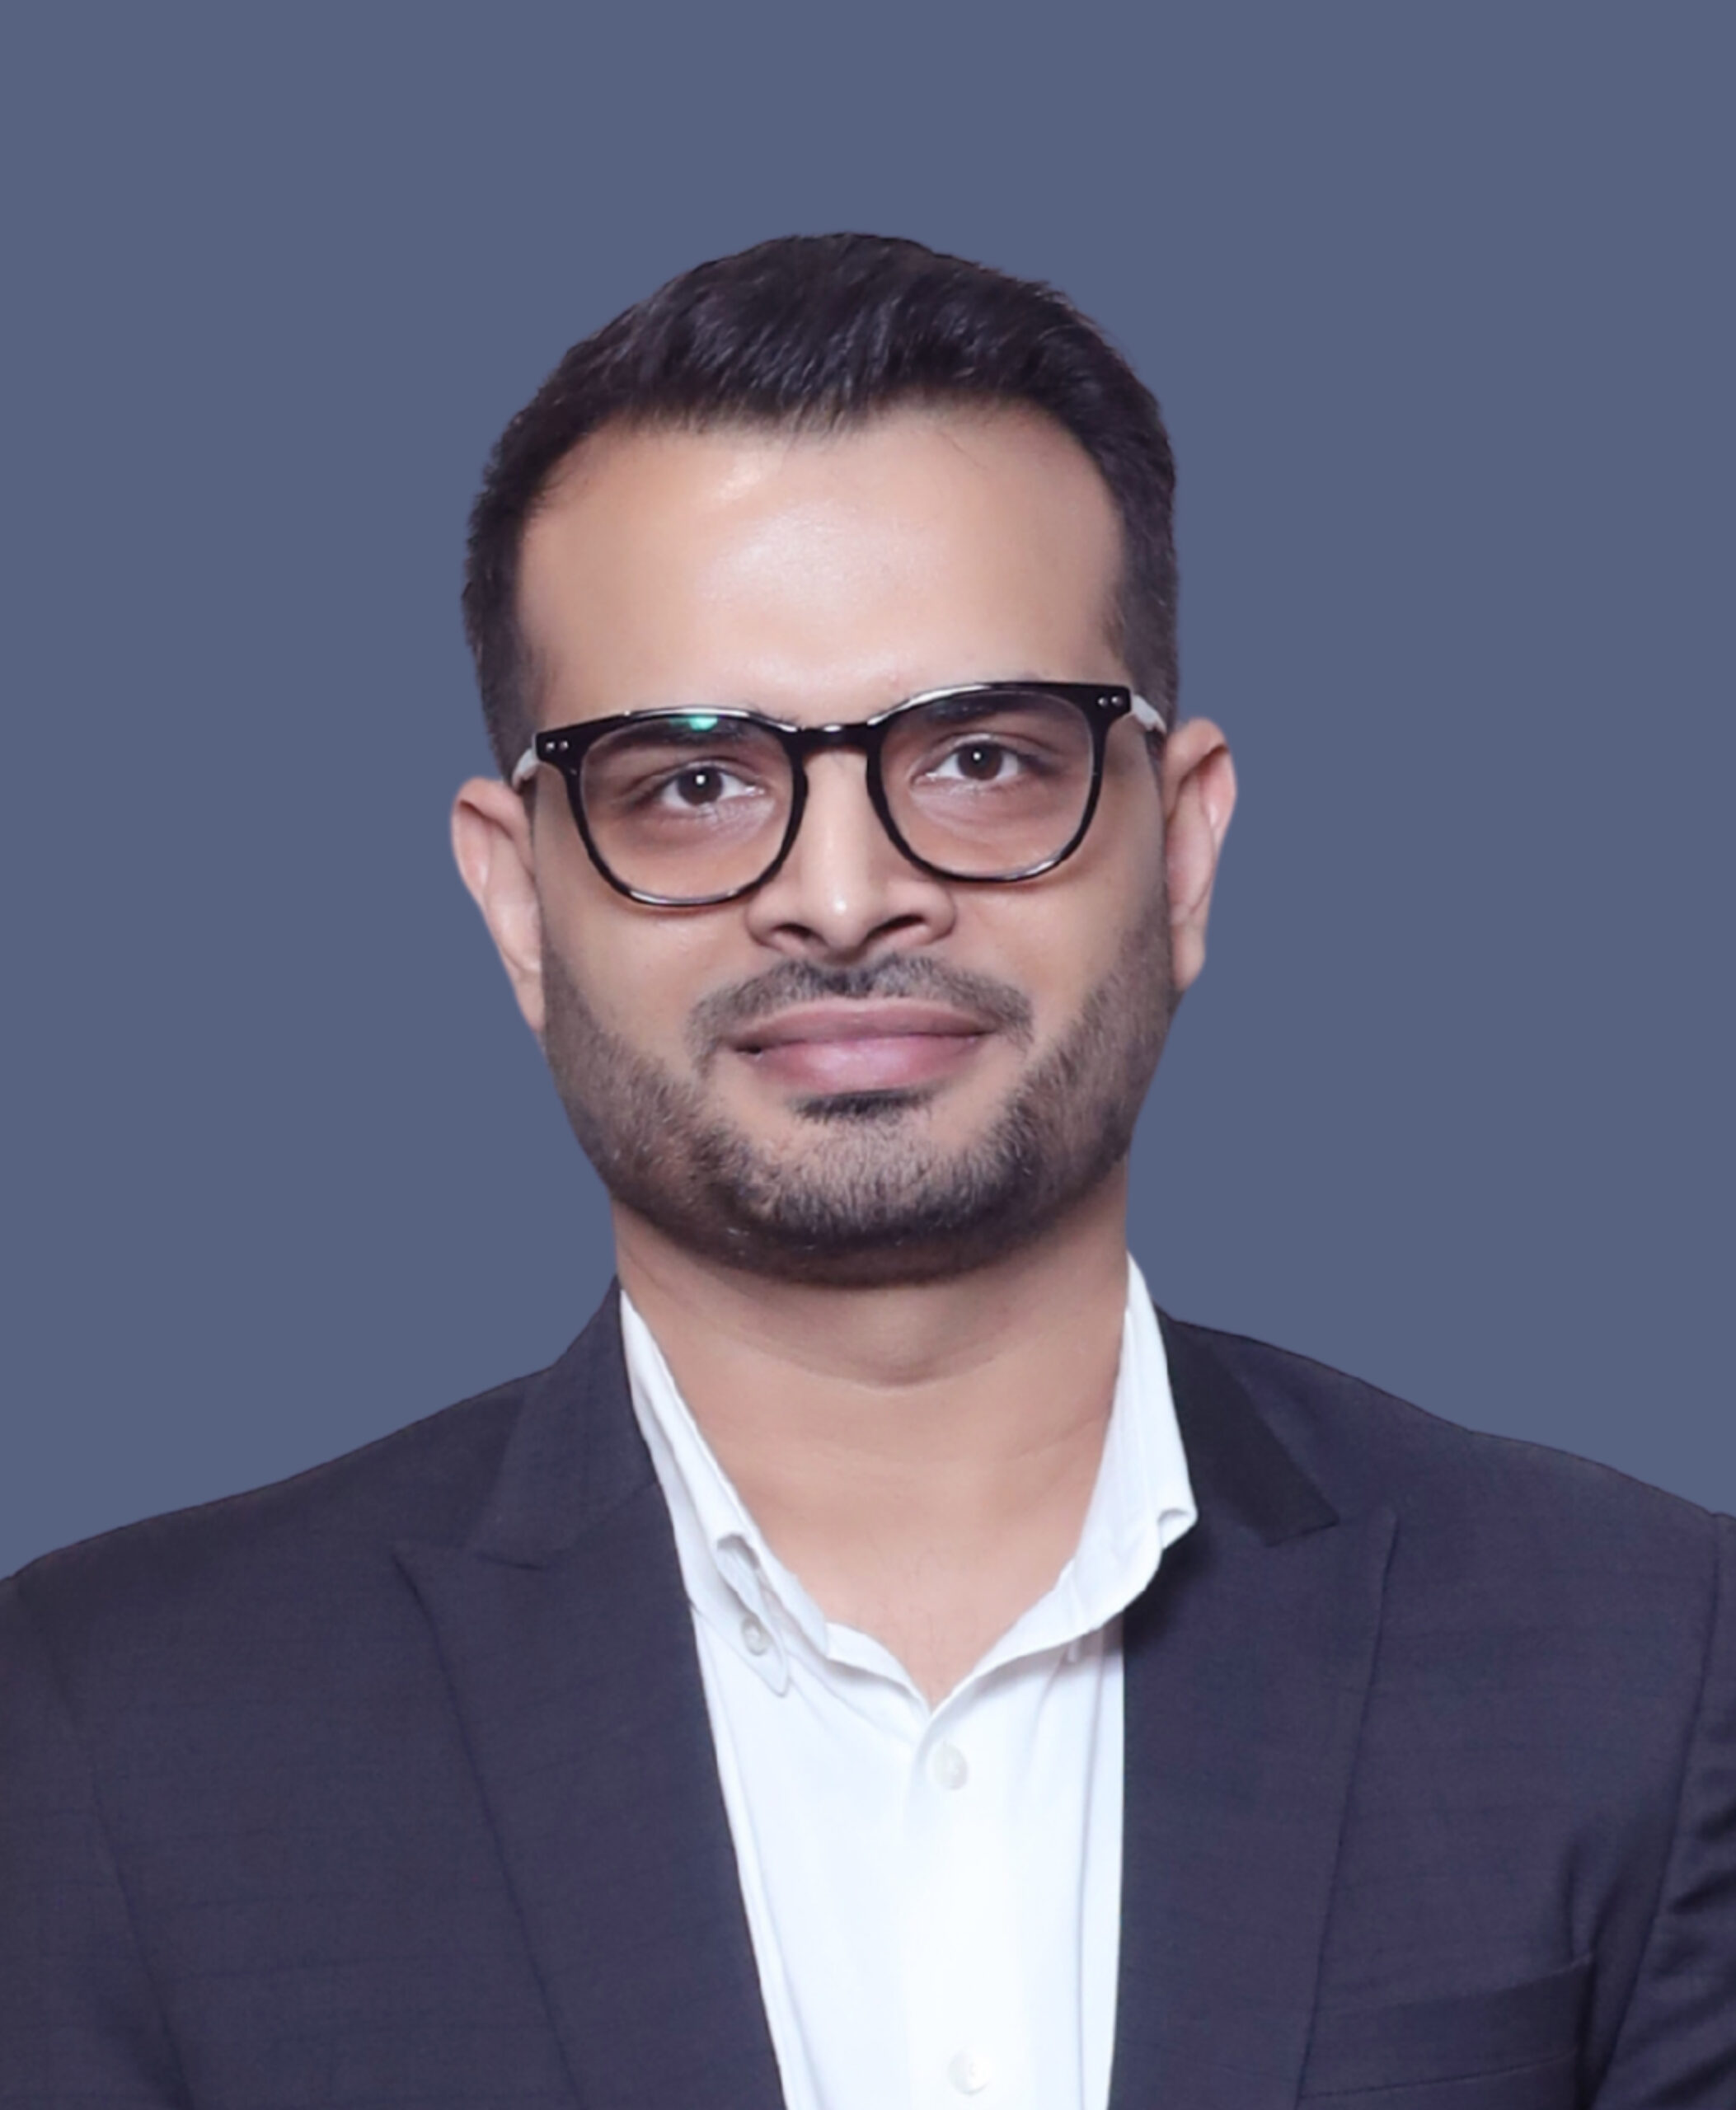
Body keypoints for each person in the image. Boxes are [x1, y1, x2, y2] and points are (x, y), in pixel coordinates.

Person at [2, 233, 1730, 2110]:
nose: (840, 896)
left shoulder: (1644, 1661)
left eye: (982, 758)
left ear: (1182, 852)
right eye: (691, 783)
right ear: (516, 897)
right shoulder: (112, 1730)